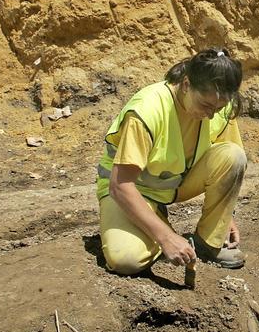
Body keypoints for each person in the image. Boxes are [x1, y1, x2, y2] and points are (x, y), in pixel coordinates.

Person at [96, 49, 247, 275]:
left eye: (218, 108)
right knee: (125, 260)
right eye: (206, 106)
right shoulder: (148, 109)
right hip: (132, 190)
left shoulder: (219, 106)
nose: (212, 115)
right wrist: (166, 238)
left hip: (175, 186)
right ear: (186, 84)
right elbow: (120, 185)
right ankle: (157, 226)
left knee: (234, 156)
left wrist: (224, 218)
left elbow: (227, 163)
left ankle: (206, 244)